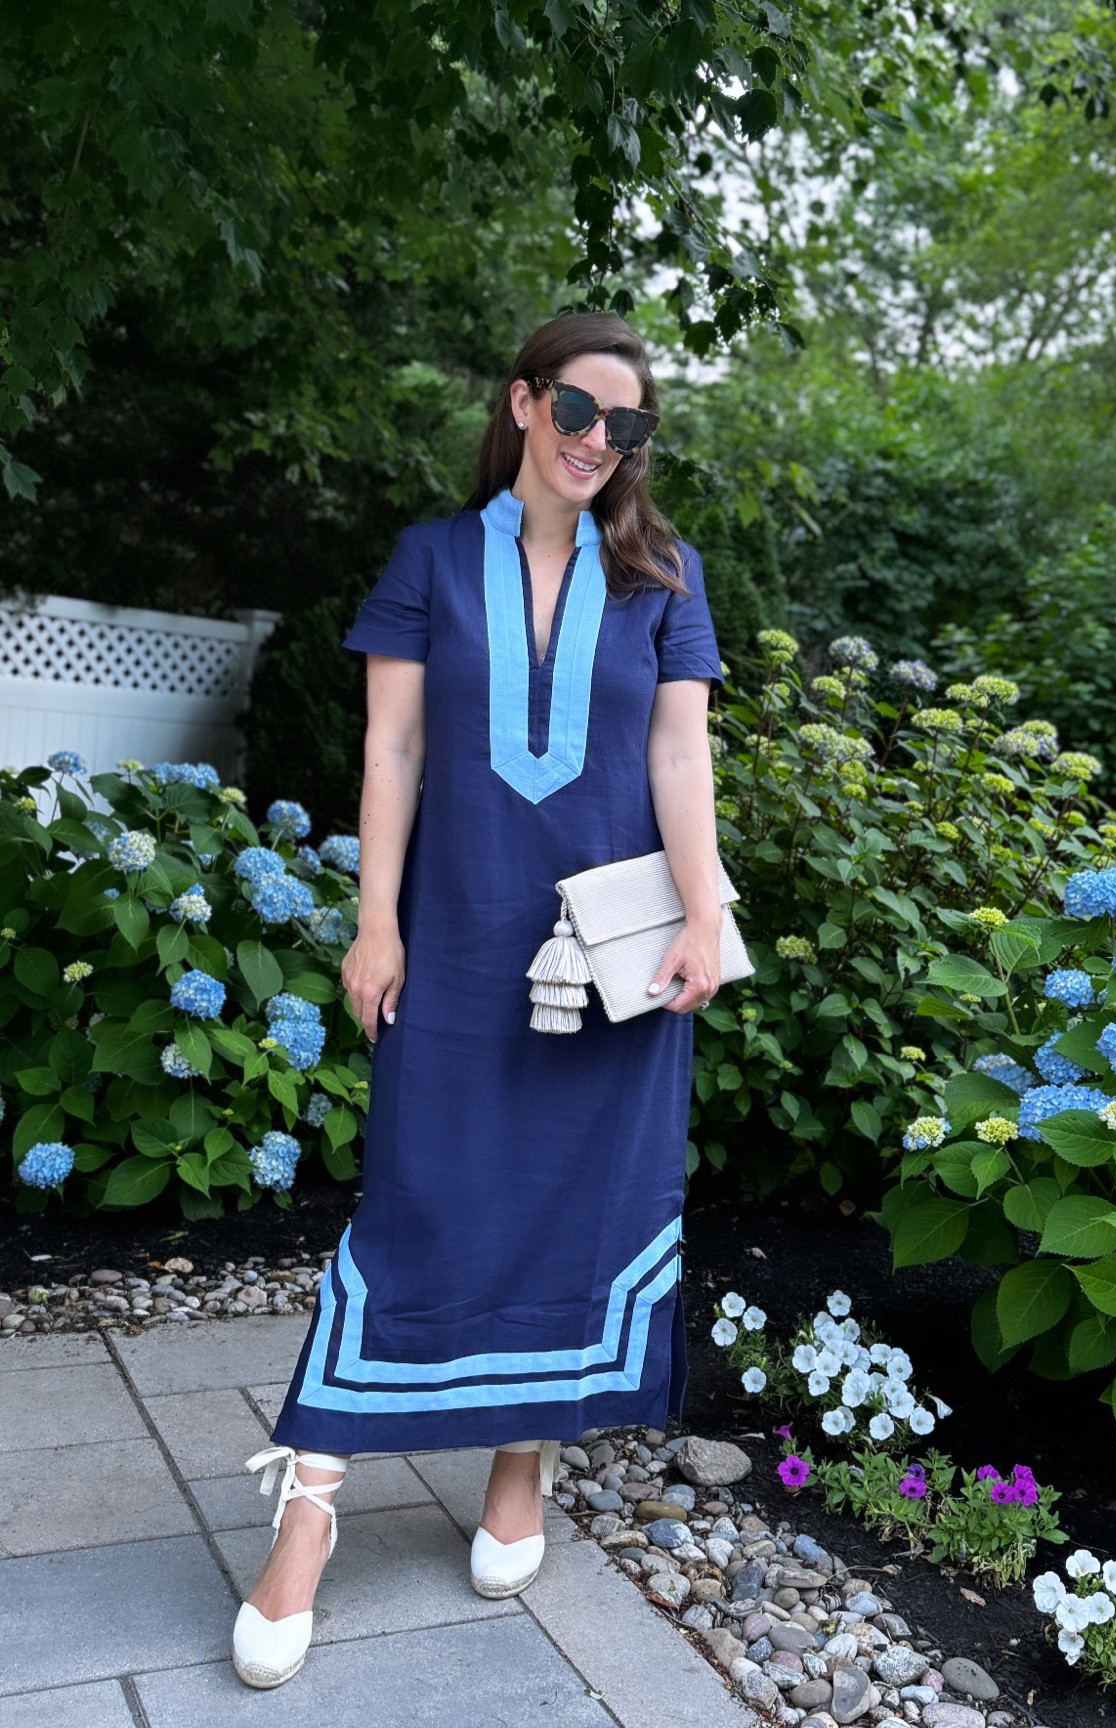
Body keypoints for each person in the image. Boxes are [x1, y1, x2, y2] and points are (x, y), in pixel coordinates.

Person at [231, 312, 725, 1690]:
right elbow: (390, 744)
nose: (599, 443)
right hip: (455, 933)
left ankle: (527, 1457)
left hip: (610, 949)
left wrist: (708, 911)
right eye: (579, 409)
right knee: (416, 1201)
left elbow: (678, 757)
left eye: (628, 426)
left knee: (584, 1200)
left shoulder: (665, 576)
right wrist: (372, 918)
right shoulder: (431, 560)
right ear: (522, 402)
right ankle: (312, 1508)